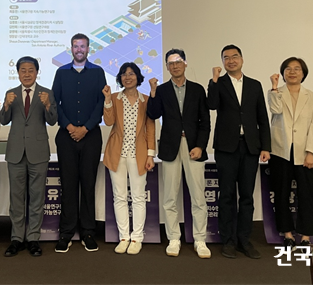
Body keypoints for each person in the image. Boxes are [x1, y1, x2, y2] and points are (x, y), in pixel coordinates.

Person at [207, 45, 271, 259]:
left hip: (250, 146)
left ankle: (244, 240)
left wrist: (265, 146)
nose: (231, 60)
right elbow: (211, 104)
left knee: (246, 196)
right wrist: (214, 80)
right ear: (222, 62)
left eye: (235, 56)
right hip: (226, 148)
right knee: (226, 195)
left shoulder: (254, 85)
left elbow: (262, 117)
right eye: (226, 58)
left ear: (242, 59)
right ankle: (228, 240)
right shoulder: (219, 83)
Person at [147, 49, 211, 258]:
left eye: (178, 61)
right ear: (167, 67)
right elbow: (153, 113)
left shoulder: (197, 89)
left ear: (185, 63)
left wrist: (200, 146)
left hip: (193, 147)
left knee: (198, 197)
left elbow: (205, 121)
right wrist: (153, 92)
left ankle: (200, 239)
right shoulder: (162, 90)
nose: (174, 66)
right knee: (170, 197)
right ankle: (174, 238)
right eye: (170, 63)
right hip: (170, 147)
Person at [52, 33, 106, 253]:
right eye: (76, 46)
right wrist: (69, 126)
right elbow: (55, 103)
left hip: (91, 136)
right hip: (66, 136)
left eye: (83, 46)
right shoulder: (61, 72)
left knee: (88, 184)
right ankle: (66, 232)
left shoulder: (98, 72)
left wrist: (85, 128)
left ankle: (88, 232)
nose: (79, 49)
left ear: (88, 48)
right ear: (71, 49)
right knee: (68, 184)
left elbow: (101, 103)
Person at [0, 56, 58, 257]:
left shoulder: (47, 93)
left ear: (37, 72)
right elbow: (3, 120)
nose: (27, 74)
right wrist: (6, 106)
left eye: (30, 70)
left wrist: (48, 105)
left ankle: (33, 238)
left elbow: (53, 120)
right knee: (16, 198)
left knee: (37, 198)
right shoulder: (11, 93)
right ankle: (16, 238)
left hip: (38, 152)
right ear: (17, 73)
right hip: (15, 153)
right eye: (23, 70)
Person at [268, 57, 313, 250]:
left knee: (306, 194)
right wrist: (274, 88)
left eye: (297, 68)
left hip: (304, 152)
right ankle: (288, 234)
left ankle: (305, 235)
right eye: (288, 69)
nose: (292, 72)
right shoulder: (276, 93)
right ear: (283, 73)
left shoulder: (312, 96)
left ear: (303, 73)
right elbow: (275, 110)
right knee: (281, 193)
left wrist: (311, 152)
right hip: (280, 151)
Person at [103, 62, 155, 255]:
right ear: (120, 78)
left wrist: (150, 154)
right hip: (117, 153)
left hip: (138, 153)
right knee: (119, 196)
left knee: (139, 197)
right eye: (124, 74)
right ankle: (124, 237)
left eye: (131, 73)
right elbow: (108, 121)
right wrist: (107, 99)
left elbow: (150, 128)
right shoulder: (114, 98)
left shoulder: (146, 100)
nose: (127, 77)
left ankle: (137, 238)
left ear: (138, 77)